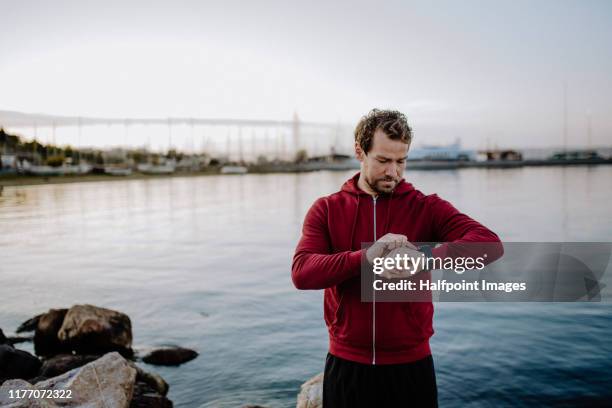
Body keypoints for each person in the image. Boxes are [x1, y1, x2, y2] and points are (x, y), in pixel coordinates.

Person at [291, 109, 503, 407]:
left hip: (411, 368)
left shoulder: (426, 207)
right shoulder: (326, 209)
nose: (393, 171)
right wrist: (368, 258)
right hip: (346, 365)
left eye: (401, 161)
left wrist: (422, 257)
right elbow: (302, 273)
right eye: (383, 160)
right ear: (359, 152)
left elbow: (490, 246)